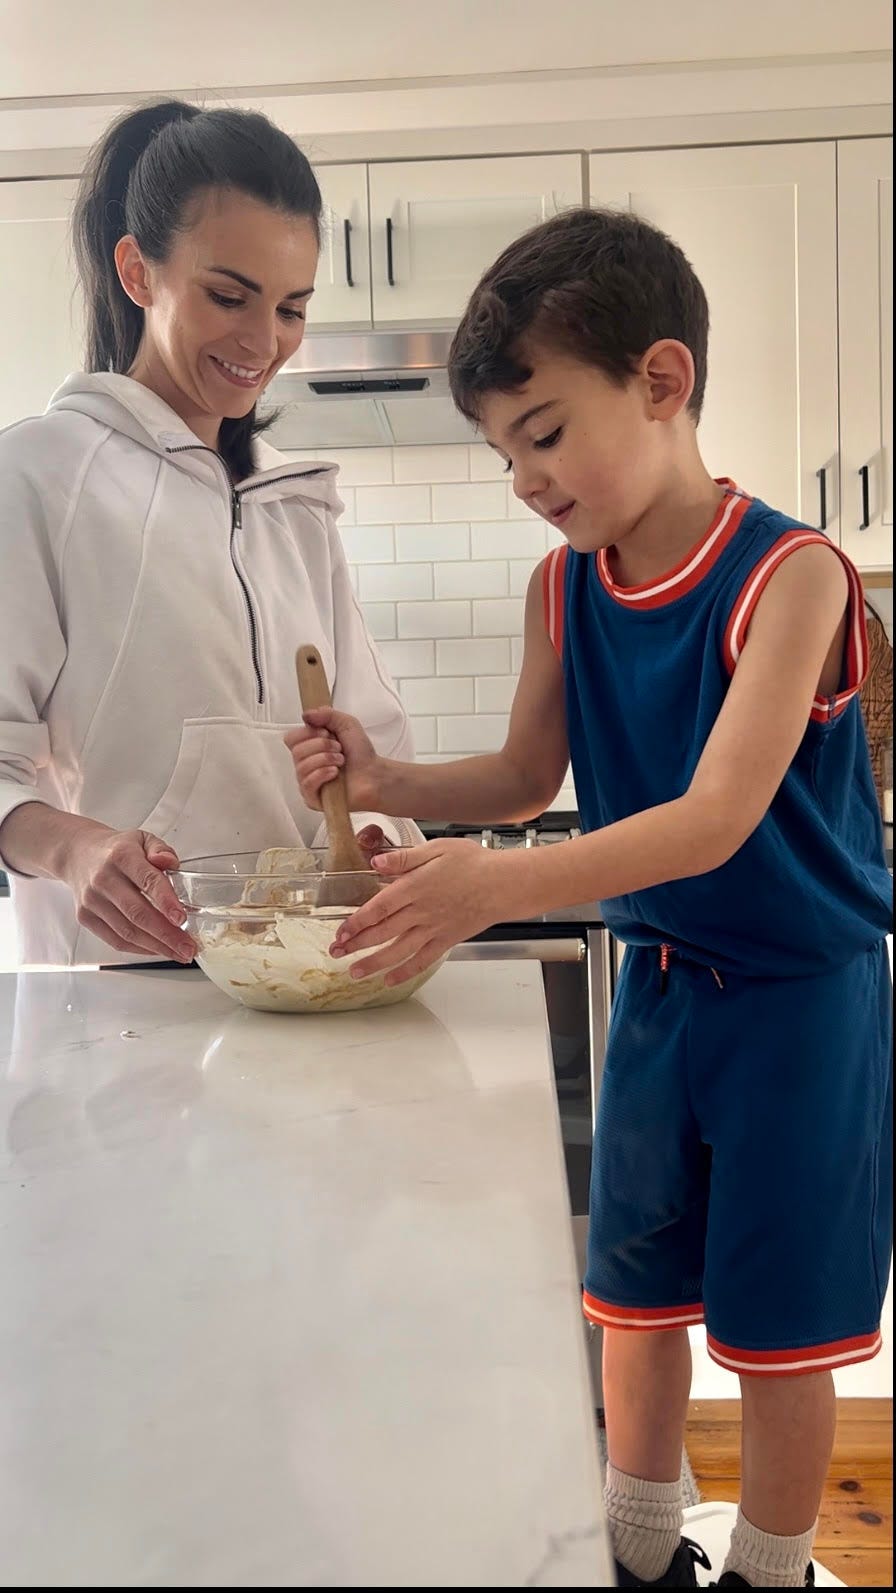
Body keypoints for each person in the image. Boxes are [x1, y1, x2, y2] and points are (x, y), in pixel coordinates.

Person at [287, 208, 893, 1588]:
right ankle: (632, 1553)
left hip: (802, 1012)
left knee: (780, 1319)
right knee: (634, 1287)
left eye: (546, 433)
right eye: (505, 451)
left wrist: (489, 891)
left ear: (663, 381)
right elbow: (517, 774)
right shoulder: (562, 588)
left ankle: (771, 1566)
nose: (523, 479)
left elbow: (714, 816)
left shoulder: (792, 575)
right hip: (665, 1000)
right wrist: (389, 775)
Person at [0, 100, 418, 968]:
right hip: (122, 1009)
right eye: (229, 295)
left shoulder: (295, 506)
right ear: (138, 271)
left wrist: (372, 830)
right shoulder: (39, 475)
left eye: (292, 308)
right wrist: (76, 848)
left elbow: (371, 747)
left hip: (306, 983)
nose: (264, 342)